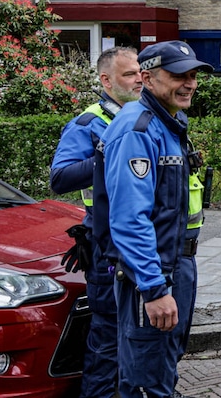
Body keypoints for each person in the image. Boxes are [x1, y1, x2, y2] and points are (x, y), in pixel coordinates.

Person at [93, 40, 210, 398]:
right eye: (178, 76)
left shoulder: (169, 122)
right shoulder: (138, 130)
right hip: (153, 271)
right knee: (145, 378)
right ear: (147, 78)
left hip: (176, 264)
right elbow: (130, 220)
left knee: (163, 364)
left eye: (193, 76)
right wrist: (154, 288)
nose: (189, 84)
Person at [50, 46, 142, 398]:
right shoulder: (89, 123)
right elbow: (60, 178)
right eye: (129, 74)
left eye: (140, 72)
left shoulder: (143, 118)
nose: (139, 80)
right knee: (107, 339)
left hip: (139, 243)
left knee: (137, 334)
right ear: (106, 80)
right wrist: (110, 156)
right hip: (107, 247)